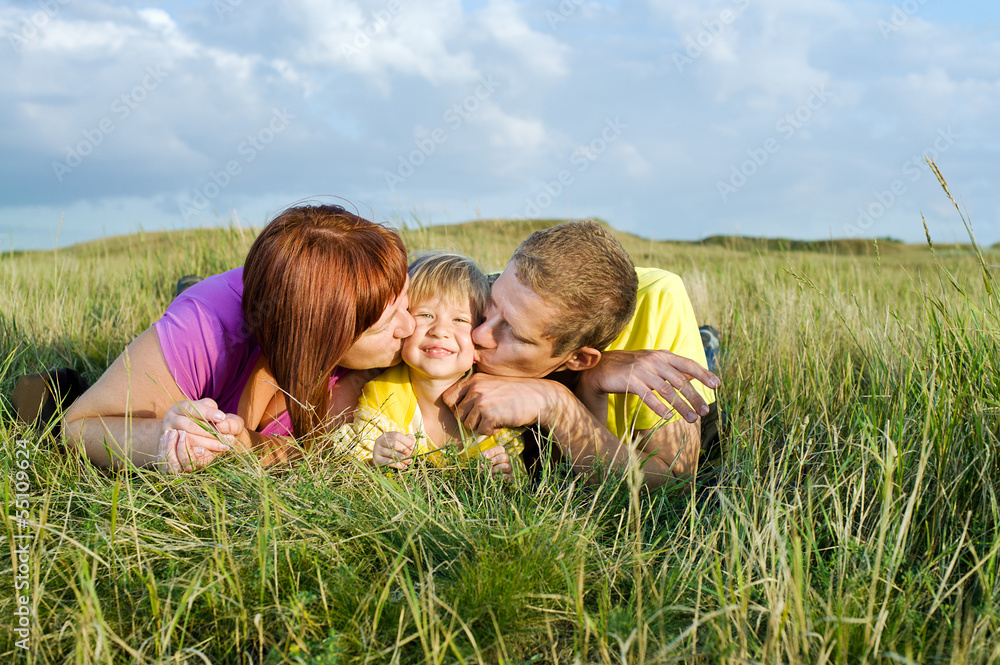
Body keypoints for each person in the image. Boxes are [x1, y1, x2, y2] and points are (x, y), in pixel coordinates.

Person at [62, 203, 416, 473]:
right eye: (386, 326)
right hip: (226, 329)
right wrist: (163, 441)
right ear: (320, 336)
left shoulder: (389, 314)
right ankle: (187, 289)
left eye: (407, 302)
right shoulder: (205, 329)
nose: (410, 327)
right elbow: (78, 428)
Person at [443, 220, 720, 488]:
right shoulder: (502, 291)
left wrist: (558, 404)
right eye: (491, 304)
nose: (478, 335)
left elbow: (677, 480)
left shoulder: (659, 302)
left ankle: (707, 341)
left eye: (514, 334)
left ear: (579, 359)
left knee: (706, 361)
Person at [349, 252, 522, 480]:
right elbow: (350, 470)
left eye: (460, 320)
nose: (440, 330)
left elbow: (522, 476)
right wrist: (375, 461)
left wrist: (508, 475)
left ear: (479, 335)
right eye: (425, 315)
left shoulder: (494, 400)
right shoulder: (382, 394)